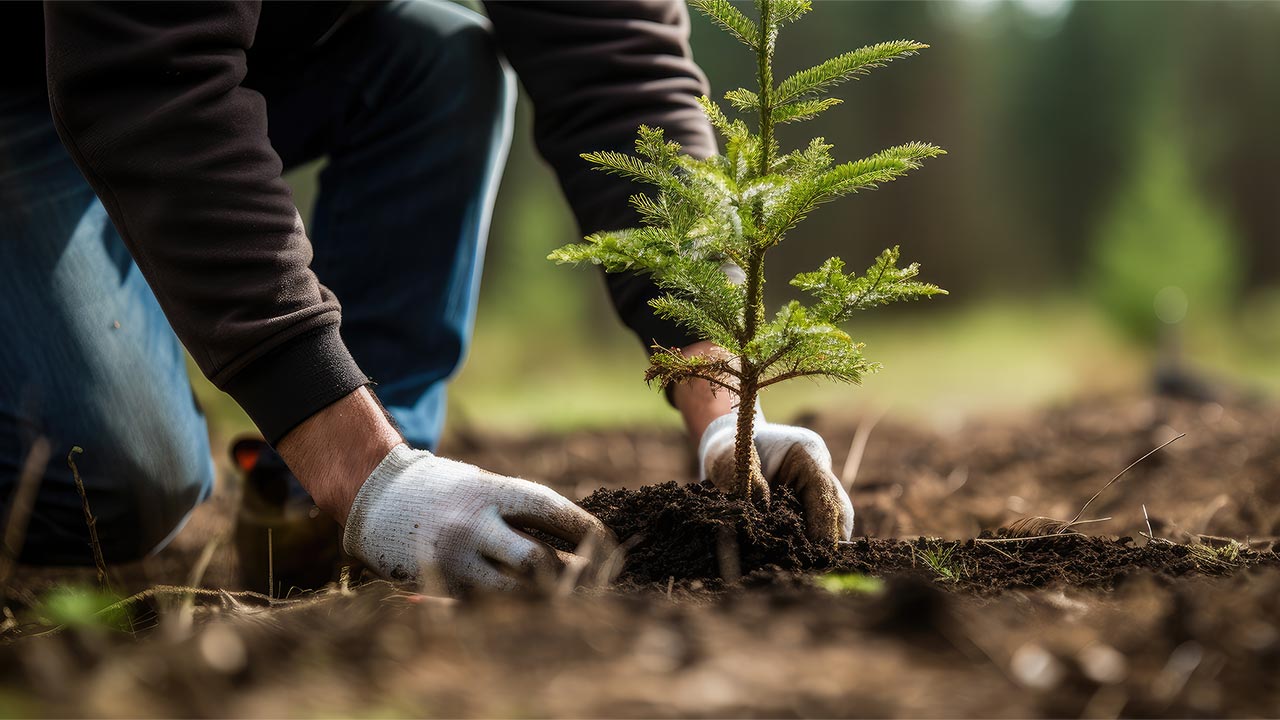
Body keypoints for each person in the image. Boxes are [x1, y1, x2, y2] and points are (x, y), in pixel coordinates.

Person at [0, 0, 853, 595]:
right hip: (43, 71)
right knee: (112, 486)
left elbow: (619, 65)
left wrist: (722, 403)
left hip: (234, 51)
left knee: (440, 59)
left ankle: (309, 519)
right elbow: (144, 75)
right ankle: (354, 473)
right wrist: (363, 472)